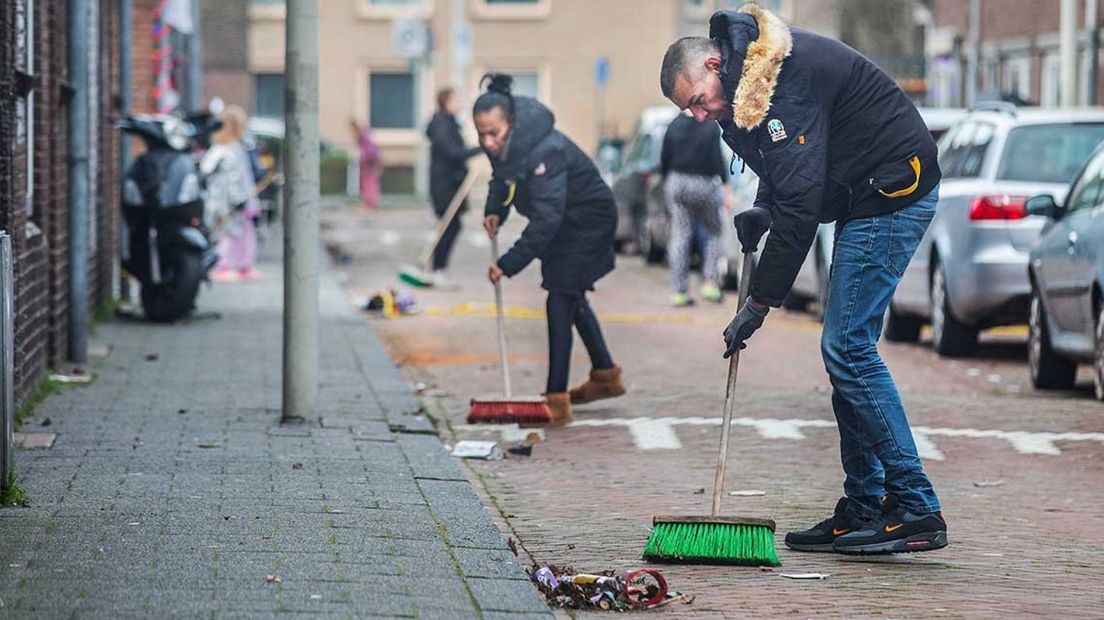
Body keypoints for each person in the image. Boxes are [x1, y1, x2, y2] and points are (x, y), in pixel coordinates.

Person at [660, 4, 947, 555]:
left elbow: (800, 207)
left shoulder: (781, 82)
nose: (695, 116)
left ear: (716, 64)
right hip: (861, 195)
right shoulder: (742, 94)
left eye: (695, 101)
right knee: (847, 349)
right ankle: (865, 504)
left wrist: (759, 302)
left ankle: (914, 504)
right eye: (685, 110)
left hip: (892, 190)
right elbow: (785, 174)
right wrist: (761, 209)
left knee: (848, 348)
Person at [474, 74, 625, 426]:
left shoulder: (546, 150)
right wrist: (494, 209)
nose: (488, 141)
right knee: (570, 296)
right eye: (481, 134)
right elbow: (502, 177)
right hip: (564, 223)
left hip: (587, 222)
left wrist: (507, 264)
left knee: (560, 297)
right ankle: (605, 375)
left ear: (510, 123)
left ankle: (555, 399)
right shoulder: (506, 142)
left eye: (493, 133)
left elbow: (546, 220)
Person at [659, 110, 732, 306]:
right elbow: (717, 157)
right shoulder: (709, 126)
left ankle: (679, 291)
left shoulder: (673, 125)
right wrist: (725, 186)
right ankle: (709, 282)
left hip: (677, 182)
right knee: (714, 231)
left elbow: (664, 158)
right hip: (704, 183)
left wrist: (668, 182)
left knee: (680, 234)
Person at [426, 87, 482, 287]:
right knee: (449, 227)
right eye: (456, 100)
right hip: (445, 186)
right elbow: (454, 153)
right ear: (446, 102)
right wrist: (482, 147)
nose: (459, 104)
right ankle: (437, 270)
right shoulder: (442, 125)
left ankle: (438, 269)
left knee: (450, 226)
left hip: (451, 184)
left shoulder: (448, 124)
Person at [202, 105, 260, 282]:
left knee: (245, 236)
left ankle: (243, 265)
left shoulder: (236, 149)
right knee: (227, 236)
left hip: (241, 202)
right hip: (227, 204)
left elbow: (244, 178)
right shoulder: (223, 151)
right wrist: (239, 199)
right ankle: (222, 265)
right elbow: (229, 180)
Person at [352, 119, 382, 210]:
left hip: (369, 160)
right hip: (372, 159)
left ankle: (369, 202)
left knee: (368, 180)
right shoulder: (367, 134)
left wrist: (364, 159)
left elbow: (367, 150)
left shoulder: (362, 136)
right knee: (371, 180)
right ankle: (371, 201)